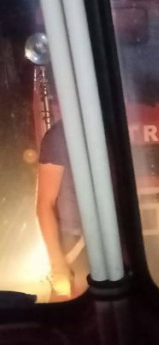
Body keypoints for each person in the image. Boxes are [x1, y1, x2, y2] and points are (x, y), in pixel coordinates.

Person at [36, 119, 88, 300]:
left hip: (108, 236)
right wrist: (58, 265)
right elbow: (45, 204)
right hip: (75, 241)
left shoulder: (110, 126)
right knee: (71, 318)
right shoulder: (59, 136)